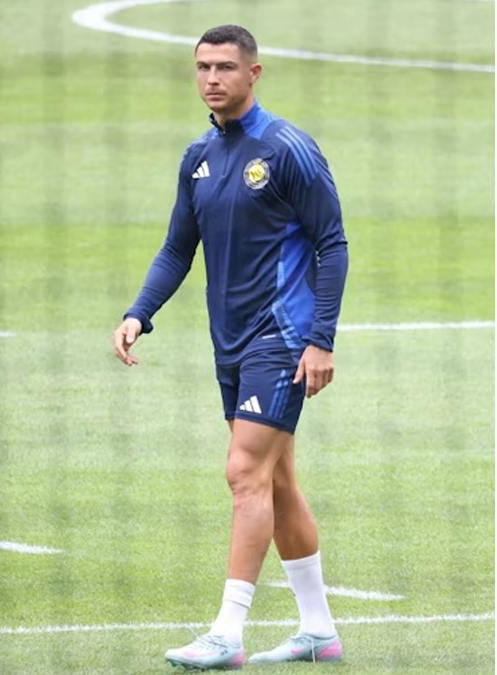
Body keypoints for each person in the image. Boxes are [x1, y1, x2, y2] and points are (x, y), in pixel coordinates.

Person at [111, 25, 348, 668]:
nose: (211, 78)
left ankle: (227, 633)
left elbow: (333, 244)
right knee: (278, 479)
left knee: (244, 472)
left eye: (224, 67)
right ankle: (318, 631)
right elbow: (176, 249)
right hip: (230, 342)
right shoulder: (198, 158)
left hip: (283, 335)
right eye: (202, 67)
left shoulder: (288, 148)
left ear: (254, 73)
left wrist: (320, 340)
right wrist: (140, 313)